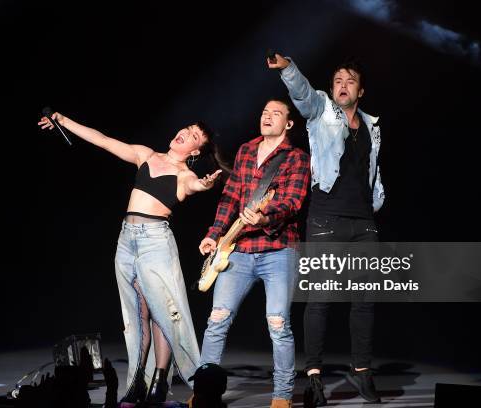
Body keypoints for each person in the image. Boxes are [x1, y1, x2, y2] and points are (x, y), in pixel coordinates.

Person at [38, 113, 226, 403]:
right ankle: (138, 381)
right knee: (137, 316)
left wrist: (204, 185)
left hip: (155, 243)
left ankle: (160, 381)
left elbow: (193, 186)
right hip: (126, 240)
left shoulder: (184, 175)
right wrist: (63, 121)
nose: (184, 134)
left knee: (162, 312)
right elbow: (102, 140)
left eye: (193, 137)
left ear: (195, 151)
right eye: (186, 129)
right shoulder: (145, 155)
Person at [268, 53, 385, 404]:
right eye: (337, 81)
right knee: (320, 301)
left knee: (365, 301)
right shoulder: (321, 110)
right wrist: (289, 70)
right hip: (325, 219)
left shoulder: (372, 125)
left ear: (360, 90)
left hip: (364, 221)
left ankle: (362, 370)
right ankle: (315, 376)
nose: (342, 85)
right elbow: (302, 93)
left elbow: (372, 170)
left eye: (350, 81)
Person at [198, 99, 311, 408]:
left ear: (288, 123)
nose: (267, 116)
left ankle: (282, 397)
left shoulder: (297, 158)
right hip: (240, 249)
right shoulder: (246, 151)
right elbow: (229, 197)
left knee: (278, 324)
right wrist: (213, 234)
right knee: (217, 320)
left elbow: (292, 202)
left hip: (278, 250)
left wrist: (265, 217)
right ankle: (205, 393)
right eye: (264, 112)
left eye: (275, 113)